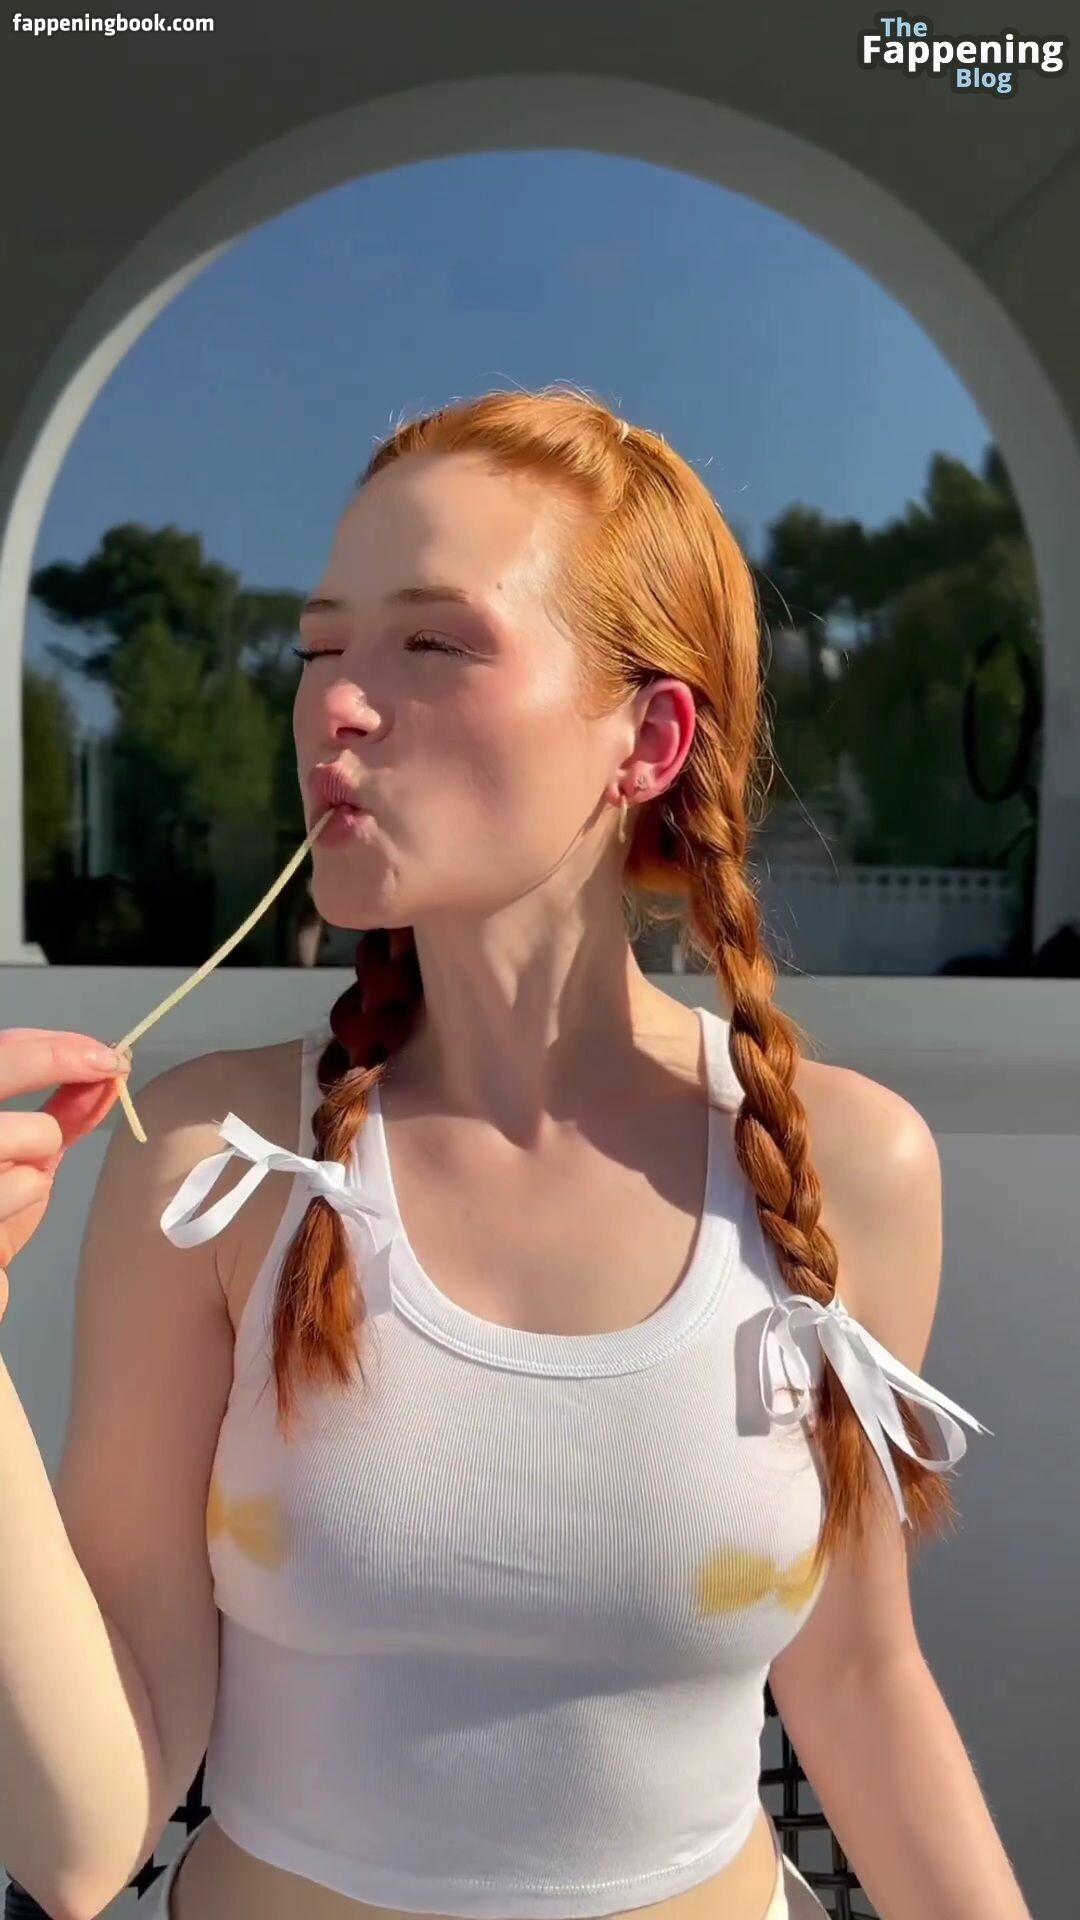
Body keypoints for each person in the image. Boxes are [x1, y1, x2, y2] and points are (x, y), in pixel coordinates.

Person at [0, 387, 1030, 1920]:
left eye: (432, 643)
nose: (337, 707)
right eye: (319, 650)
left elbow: (859, 1678)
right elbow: (82, 1843)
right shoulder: (218, 1167)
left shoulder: (845, 1167)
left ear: (649, 738)